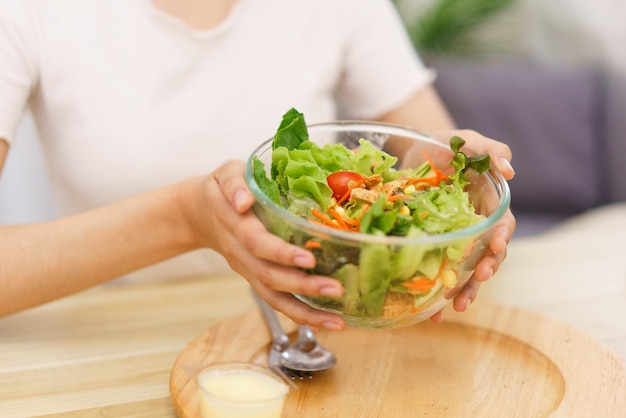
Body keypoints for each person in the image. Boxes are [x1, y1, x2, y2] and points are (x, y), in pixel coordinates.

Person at [0, 0, 515, 330]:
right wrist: (186, 218)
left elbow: (423, 149)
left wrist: (455, 175)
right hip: (107, 335)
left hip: (313, 330)